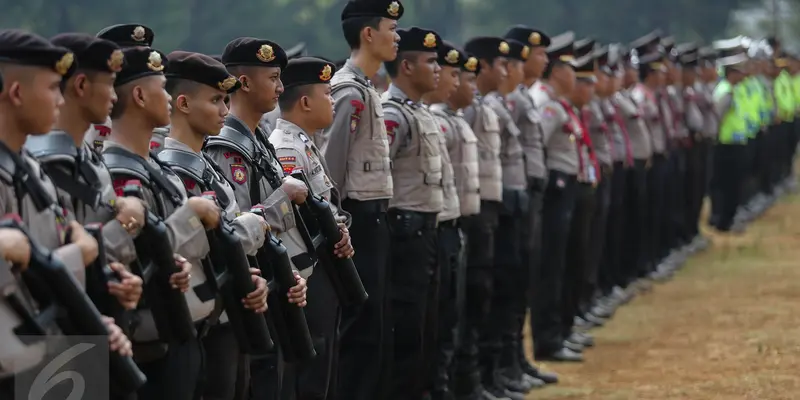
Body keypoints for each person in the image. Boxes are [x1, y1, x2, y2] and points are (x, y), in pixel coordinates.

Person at [0, 29, 130, 398]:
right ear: (16, 93)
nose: (61, 100)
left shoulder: (30, 168)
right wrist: (79, 253)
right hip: (15, 363)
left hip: (56, 349)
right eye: (53, 88)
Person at [102, 44, 221, 400]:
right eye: (160, 86)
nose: (170, 97)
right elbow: (130, 253)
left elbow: (194, 245)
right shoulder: (117, 172)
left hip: (184, 328)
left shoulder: (159, 169)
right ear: (138, 95)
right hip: (146, 338)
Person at [158, 50, 272, 400]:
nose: (225, 110)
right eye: (215, 100)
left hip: (227, 314)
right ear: (183, 103)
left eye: (226, 100)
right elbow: (197, 244)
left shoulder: (208, 164)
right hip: (200, 321)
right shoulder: (173, 169)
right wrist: (255, 225)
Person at [204, 37, 309, 400]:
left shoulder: (258, 138)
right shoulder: (226, 146)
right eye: (273, 77)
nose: (281, 88)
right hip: (250, 287)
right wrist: (285, 198)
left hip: (272, 280)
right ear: (244, 83)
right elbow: (243, 224)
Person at [23, 32, 144, 319]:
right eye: (111, 85)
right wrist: (127, 226)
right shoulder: (50, 163)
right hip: (61, 332)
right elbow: (62, 256)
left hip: (95, 318)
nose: (115, 96)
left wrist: (117, 278)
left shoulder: (88, 159)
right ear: (81, 85)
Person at [322, 3, 403, 397]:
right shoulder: (348, 91)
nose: (397, 36)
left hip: (375, 218)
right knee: (360, 328)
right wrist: (336, 224)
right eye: (391, 27)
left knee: (375, 325)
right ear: (368, 34)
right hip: (355, 220)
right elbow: (330, 168)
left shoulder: (367, 89)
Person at [268, 56, 356, 400]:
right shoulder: (287, 148)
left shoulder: (305, 142)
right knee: (313, 358)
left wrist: (340, 226)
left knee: (326, 353)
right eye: (327, 93)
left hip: (323, 261)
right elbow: (297, 216)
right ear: (305, 101)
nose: (332, 101)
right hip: (307, 265)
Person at [380, 26, 443, 400]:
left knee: (426, 325)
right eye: (430, 62)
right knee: (406, 327)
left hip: (427, 228)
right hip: (407, 230)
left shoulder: (419, 112)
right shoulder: (393, 115)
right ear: (406, 66)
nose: (437, 69)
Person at [501, 25, 559, 387]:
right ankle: (507, 362)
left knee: (523, 277)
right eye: (537, 55)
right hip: (515, 196)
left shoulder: (522, 97)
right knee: (512, 280)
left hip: (530, 192)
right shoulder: (513, 99)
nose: (543, 61)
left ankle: (517, 358)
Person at [479, 37, 532, 398]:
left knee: (514, 284)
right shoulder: (485, 107)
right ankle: (493, 369)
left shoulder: (497, 104)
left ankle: (510, 361)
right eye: (500, 64)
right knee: (494, 289)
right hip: (490, 207)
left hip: (511, 201)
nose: (508, 71)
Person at [429, 50, 483, 400]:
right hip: (435, 226)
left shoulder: (452, 119)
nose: (450, 79)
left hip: (458, 220)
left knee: (457, 314)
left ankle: (461, 384)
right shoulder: (434, 119)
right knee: (439, 321)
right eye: (457, 75)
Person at [528, 31, 583, 363]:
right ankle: (547, 339)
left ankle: (558, 332)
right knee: (549, 265)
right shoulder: (545, 103)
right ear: (557, 71)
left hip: (564, 187)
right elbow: (538, 148)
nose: (574, 75)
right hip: (553, 190)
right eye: (569, 67)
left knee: (561, 262)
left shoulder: (557, 102)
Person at [456, 35, 507, 399]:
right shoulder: (468, 110)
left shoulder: (479, 107)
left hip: (484, 208)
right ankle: (470, 380)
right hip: (466, 215)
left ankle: (488, 373)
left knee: (487, 292)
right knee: (471, 297)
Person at [421, 40, 464, 400]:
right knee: (426, 323)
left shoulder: (429, 117)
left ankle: (445, 386)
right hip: (423, 228)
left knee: (449, 315)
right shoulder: (412, 115)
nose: (443, 75)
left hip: (448, 221)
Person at [561, 46, 601, 344]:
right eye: (583, 82)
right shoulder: (554, 108)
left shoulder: (572, 112)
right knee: (563, 260)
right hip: (562, 190)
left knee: (581, 253)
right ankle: (559, 328)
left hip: (582, 185)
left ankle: (574, 315)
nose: (589, 89)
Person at [88, 24, 158, 153]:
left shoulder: (155, 117)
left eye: (142, 60)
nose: (135, 70)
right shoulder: (91, 118)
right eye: (127, 61)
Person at [711, 48, 750, 232]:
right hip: (726, 145)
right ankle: (724, 222)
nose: (743, 74)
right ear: (731, 73)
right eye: (739, 71)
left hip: (736, 143)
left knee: (735, 184)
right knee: (727, 184)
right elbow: (717, 118)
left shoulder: (734, 89)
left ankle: (730, 219)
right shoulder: (725, 91)